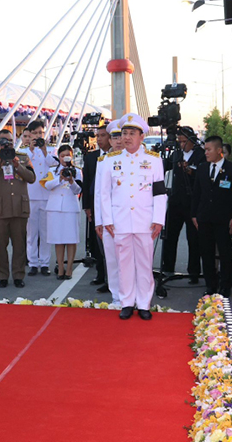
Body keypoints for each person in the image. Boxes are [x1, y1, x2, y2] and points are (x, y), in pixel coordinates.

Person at [99, 114, 166, 320]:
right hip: (119, 221)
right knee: (124, 263)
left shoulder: (153, 161)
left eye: (131, 134)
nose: (127, 138)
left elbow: (160, 192)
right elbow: (104, 193)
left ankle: (144, 303)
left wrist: (158, 219)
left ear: (142, 136)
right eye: (124, 133)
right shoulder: (111, 161)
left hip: (145, 220)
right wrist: (107, 220)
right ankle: (127, 301)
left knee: (145, 263)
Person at [0, 129, 36, 287]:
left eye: (9, 140)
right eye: (3, 141)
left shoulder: (22, 157)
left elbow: (32, 178)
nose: (7, 143)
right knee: (0, 246)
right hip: (1, 209)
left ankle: (18, 275)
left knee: (19, 244)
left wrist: (17, 166)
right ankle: (2, 276)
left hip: (19, 208)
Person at [192, 135, 232, 298]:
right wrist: (194, 215)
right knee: (207, 253)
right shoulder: (203, 168)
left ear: (219, 151)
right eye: (205, 150)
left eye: (209, 150)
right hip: (204, 218)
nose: (206, 153)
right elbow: (197, 193)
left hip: (223, 219)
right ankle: (210, 285)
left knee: (225, 254)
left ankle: (225, 286)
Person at [160, 127, 204, 285]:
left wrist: (191, 171)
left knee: (193, 238)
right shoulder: (176, 154)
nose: (182, 145)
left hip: (192, 202)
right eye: (179, 142)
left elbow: (203, 174)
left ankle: (194, 272)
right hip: (175, 201)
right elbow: (164, 168)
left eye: (184, 142)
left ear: (192, 141)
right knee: (170, 236)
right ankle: (167, 267)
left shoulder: (200, 155)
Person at [94, 120, 125, 305]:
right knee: (112, 260)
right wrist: (99, 221)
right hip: (109, 219)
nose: (119, 140)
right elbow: (99, 193)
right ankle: (116, 296)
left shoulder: (136, 159)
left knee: (130, 261)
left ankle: (131, 295)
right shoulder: (103, 162)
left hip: (129, 218)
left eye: (122, 136)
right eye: (114, 137)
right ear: (110, 141)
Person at [23, 120, 58, 276]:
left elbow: (55, 165)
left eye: (41, 133)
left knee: (45, 233)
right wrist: (31, 149)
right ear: (29, 134)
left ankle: (44, 263)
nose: (38, 136)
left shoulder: (51, 150)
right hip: (30, 196)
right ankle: (32, 263)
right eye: (35, 133)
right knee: (31, 233)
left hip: (46, 196)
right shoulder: (25, 152)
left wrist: (44, 150)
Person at [44, 144, 82, 279]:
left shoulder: (77, 171)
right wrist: (59, 179)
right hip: (55, 208)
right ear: (58, 157)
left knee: (71, 239)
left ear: (71, 156)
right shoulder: (53, 170)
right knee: (58, 239)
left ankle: (69, 267)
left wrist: (71, 180)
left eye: (67, 155)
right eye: (62, 156)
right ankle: (60, 267)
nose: (64, 158)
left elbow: (78, 190)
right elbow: (47, 186)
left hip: (70, 208)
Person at [82, 125, 111, 289]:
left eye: (103, 135)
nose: (99, 139)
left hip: (113, 207)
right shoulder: (91, 158)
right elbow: (86, 184)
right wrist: (87, 206)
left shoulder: (117, 156)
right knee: (98, 242)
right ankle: (101, 275)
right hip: (95, 205)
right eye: (97, 136)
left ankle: (113, 278)